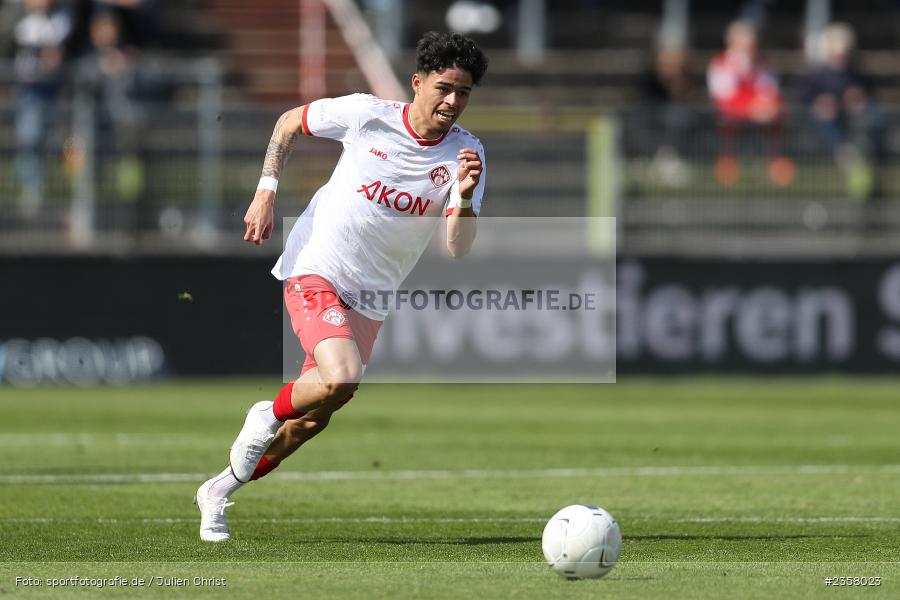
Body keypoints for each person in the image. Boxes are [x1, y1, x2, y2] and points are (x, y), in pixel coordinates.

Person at [195, 31, 488, 542]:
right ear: (417, 83)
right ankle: (264, 413)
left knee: (314, 417)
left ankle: (218, 491)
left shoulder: (467, 155)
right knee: (340, 375)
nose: (452, 101)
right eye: (444, 87)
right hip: (318, 266)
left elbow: (458, 248)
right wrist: (266, 191)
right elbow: (289, 122)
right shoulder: (366, 114)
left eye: (463, 92)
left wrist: (462, 198)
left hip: (373, 295)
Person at [707, 19, 794, 187]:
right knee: (726, 122)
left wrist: (766, 107)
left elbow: (771, 92)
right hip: (731, 115)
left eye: (752, 44)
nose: (750, 48)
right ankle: (727, 163)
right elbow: (723, 97)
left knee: (778, 118)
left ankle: (775, 163)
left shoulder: (763, 63)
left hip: (759, 114)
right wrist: (752, 108)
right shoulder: (720, 63)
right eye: (745, 44)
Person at [802, 22, 883, 199]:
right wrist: (821, 103)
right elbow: (805, 100)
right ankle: (848, 155)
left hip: (853, 122)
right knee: (826, 119)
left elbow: (868, 94)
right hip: (828, 127)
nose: (841, 56)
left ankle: (864, 154)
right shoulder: (817, 75)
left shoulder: (857, 75)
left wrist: (857, 99)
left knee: (871, 115)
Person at [9, 0, 72, 216]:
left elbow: (60, 51)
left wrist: (55, 56)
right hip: (28, 89)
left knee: (49, 138)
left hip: (52, 89)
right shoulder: (18, 19)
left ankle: (46, 185)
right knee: (30, 135)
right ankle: (31, 187)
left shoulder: (61, 19)